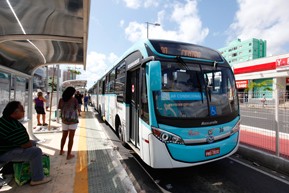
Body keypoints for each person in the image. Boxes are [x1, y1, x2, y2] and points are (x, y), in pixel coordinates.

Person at [0, 101, 52, 186]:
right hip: (3, 154)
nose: (24, 112)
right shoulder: (14, 127)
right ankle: (37, 179)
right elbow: (26, 144)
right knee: (36, 151)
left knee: (33, 144)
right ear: (15, 112)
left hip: (3, 149)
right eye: (22, 110)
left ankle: (10, 170)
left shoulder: (3, 120)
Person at [58, 87, 79, 160]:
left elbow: (60, 108)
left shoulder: (61, 100)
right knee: (71, 137)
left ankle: (61, 151)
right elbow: (77, 109)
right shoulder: (74, 100)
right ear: (72, 93)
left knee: (64, 136)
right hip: (73, 120)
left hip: (64, 120)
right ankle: (68, 155)